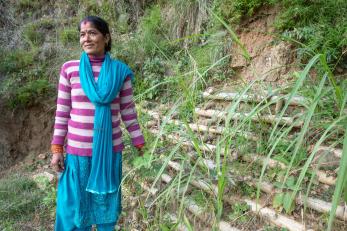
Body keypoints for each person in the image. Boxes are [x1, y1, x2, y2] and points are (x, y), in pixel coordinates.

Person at [50, 15, 145, 231]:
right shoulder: (70, 69)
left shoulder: (120, 72)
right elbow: (62, 112)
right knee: (76, 207)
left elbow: (128, 111)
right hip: (77, 153)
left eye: (92, 33)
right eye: (82, 34)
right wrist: (57, 148)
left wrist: (139, 142)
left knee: (106, 206)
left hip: (109, 153)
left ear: (106, 37)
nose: (86, 39)